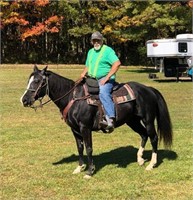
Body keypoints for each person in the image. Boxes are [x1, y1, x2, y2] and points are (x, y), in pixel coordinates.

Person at [80, 31, 121, 132]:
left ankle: (110, 119)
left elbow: (117, 63)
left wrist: (107, 78)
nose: (96, 42)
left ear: (102, 40)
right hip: (92, 79)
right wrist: (83, 73)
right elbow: (88, 66)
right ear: (91, 41)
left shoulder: (107, 51)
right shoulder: (90, 52)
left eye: (98, 40)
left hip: (105, 79)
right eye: (94, 40)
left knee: (103, 93)